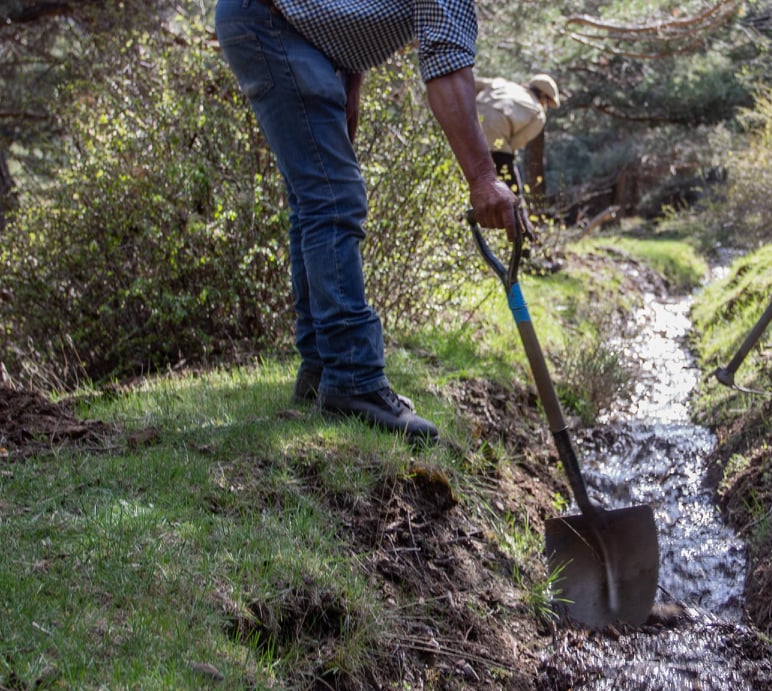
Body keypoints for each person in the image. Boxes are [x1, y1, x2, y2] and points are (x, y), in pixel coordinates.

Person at [214, 0, 521, 442]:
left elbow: (344, 19)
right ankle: (353, 381)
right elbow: (447, 70)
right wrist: (484, 177)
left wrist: (349, 82)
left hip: (278, 25)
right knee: (334, 200)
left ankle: (322, 370)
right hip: (274, 23)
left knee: (314, 200)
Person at [475, 73, 560, 192]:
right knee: (512, 196)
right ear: (542, 95)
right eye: (546, 101)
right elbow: (515, 142)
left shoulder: (501, 83)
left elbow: (471, 84)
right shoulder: (539, 115)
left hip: (468, 128)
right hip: (497, 147)